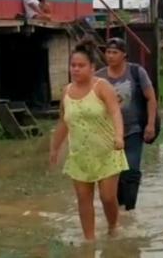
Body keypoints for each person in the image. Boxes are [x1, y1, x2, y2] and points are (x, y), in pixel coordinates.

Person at [49, 37, 128, 241]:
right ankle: (89, 241)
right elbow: (63, 122)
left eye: (81, 65)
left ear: (92, 67)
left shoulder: (102, 87)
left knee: (107, 197)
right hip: (80, 155)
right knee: (83, 200)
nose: (76, 69)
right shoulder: (66, 91)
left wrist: (119, 136)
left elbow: (115, 113)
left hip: (107, 152)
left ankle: (113, 226)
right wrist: (54, 148)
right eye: (73, 65)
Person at [95, 38, 158, 213]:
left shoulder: (136, 72)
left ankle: (129, 211)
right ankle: (117, 209)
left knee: (131, 170)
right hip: (107, 133)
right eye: (108, 52)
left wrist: (151, 124)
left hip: (133, 130)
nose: (110, 56)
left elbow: (150, 98)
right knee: (114, 173)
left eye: (115, 52)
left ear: (124, 55)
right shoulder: (99, 77)